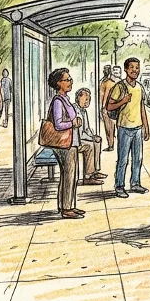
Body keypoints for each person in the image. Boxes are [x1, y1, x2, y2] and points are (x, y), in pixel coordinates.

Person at [107, 57, 150, 199]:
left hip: (137, 128)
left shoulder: (139, 87)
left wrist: (146, 126)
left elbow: (142, 107)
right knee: (123, 159)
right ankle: (119, 186)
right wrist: (123, 101)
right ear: (125, 69)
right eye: (132, 67)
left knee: (138, 159)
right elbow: (109, 106)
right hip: (124, 128)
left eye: (137, 68)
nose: (135, 70)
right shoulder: (119, 86)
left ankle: (135, 183)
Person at [46, 68, 83, 219]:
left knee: (70, 175)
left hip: (70, 143)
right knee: (69, 175)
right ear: (58, 83)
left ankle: (67, 205)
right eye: (67, 80)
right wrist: (73, 123)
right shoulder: (57, 101)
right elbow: (58, 124)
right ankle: (67, 208)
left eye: (70, 79)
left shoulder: (65, 99)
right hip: (64, 144)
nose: (70, 82)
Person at [74, 88, 106, 185]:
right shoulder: (75, 110)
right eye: (86, 99)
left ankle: (94, 171)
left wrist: (93, 136)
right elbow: (79, 133)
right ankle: (88, 176)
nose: (87, 102)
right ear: (78, 98)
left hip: (81, 138)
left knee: (97, 142)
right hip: (75, 141)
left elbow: (86, 129)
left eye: (89, 99)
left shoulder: (84, 111)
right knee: (90, 145)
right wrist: (91, 138)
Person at [99, 65, 116, 151]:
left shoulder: (108, 83)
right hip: (109, 107)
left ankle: (111, 145)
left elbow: (105, 95)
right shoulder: (106, 81)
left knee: (109, 127)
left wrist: (103, 107)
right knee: (109, 127)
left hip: (107, 107)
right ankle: (111, 143)